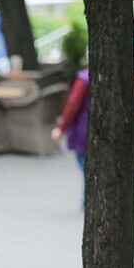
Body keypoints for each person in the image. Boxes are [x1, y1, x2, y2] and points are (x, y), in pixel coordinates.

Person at [51, 68, 89, 205]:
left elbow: (73, 104)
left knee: (85, 164)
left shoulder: (83, 78)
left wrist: (61, 128)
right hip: (96, 128)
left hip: (83, 128)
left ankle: (87, 198)